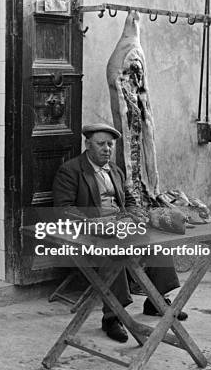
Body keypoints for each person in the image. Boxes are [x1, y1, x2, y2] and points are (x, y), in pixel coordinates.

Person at [52, 123, 187, 343]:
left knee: (158, 244)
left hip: (120, 227)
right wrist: (96, 224)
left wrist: (135, 214)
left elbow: (130, 200)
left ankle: (156, 301)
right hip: (90, 234)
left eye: (110, 145)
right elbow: (64, 209)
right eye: (101, 144)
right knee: (114, 254)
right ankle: (112, 316)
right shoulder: (71, 170)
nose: (107, 149)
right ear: (88, 145)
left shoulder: (115, 170)